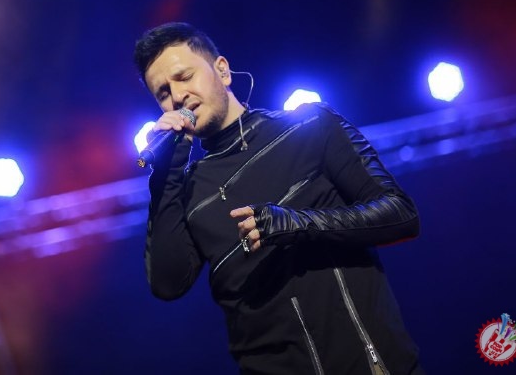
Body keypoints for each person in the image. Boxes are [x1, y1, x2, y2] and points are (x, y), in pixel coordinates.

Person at [133, 22, 423, 375]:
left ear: (222, 70)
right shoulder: (187, 191)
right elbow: (167, 284)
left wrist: (298, 224)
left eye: (184, 77)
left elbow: (401, 214)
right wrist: (165, 174)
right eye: (163, 92)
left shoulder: (310, 127)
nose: (178, 96)